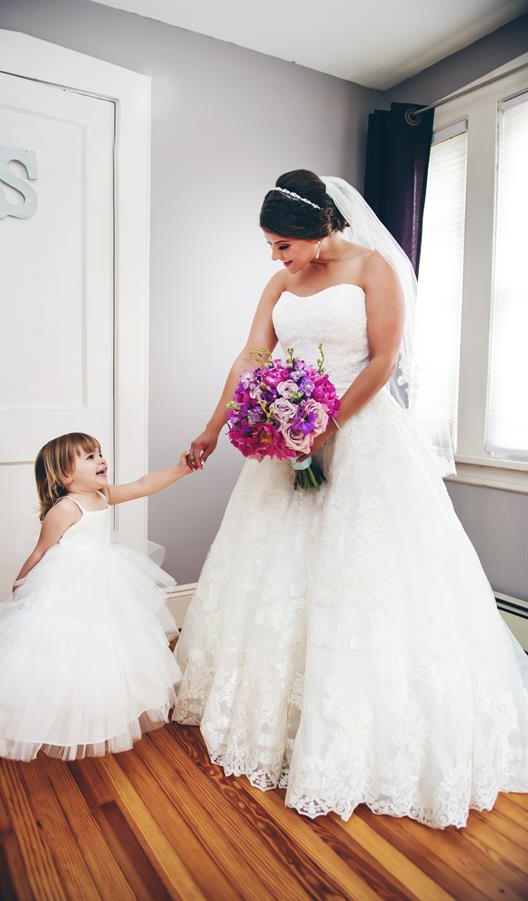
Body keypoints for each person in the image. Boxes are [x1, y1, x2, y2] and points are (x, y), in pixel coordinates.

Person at [172, 170, 528, 829]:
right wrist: (214, 426)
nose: (274, 257)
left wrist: (326, 425)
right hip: (291, 437)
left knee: (364, 577)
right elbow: (252, 358)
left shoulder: (372, 268)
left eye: (282, 244)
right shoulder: (281, 283)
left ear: (316, 230)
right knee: (278, 577)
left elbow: (383, 361)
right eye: (270, 245)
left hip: (360, 435)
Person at [0, 432, 193, 761]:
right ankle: (25, 717)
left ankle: (96, 707)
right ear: (65, 474)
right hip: (69, 584)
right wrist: (21, 584)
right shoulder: (65, 508)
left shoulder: (103, 495)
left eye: (99, 453)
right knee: (59, 649)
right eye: (90, 457)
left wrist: (180, 469)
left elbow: (142, 485)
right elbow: (41, 551)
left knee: (105, 646)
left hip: (105, 580)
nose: (101, 460)